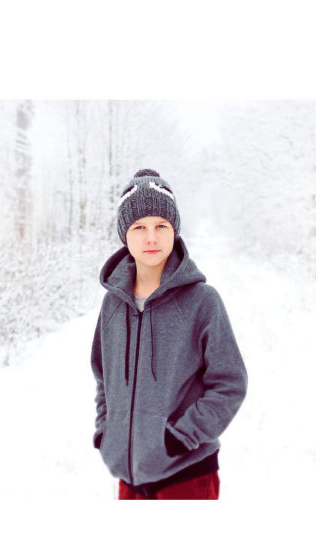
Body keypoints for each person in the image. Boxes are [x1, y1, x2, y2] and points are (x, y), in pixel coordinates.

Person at [90, 168, 248, 500]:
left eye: (161, 226)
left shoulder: (202, 302)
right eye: (139, 227)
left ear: (174, 230)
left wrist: (183, 435)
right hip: (129, 477)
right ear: (124, 234)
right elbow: (104, 378)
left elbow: (230, 383)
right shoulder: (112, 305)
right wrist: (107, 431)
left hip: (185, 474)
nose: (151, 238)